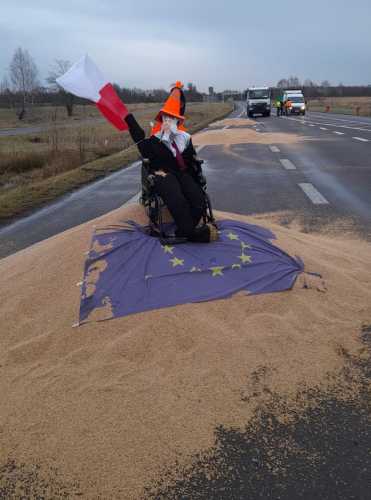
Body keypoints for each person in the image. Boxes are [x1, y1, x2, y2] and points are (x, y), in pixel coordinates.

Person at [124, 82, 218, 243]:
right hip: (163, 174)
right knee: (176, 197)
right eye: (166, 118)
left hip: (182, 173)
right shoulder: (155, 140)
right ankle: (191, 233)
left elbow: (191, 159)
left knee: (198, 198)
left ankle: (185, 231)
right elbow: (140, 140)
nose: (168, 121)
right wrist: (129, 119)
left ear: (177, 122)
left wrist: (195, 168)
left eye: (172, 119)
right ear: (162, 121)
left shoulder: (184, 138)